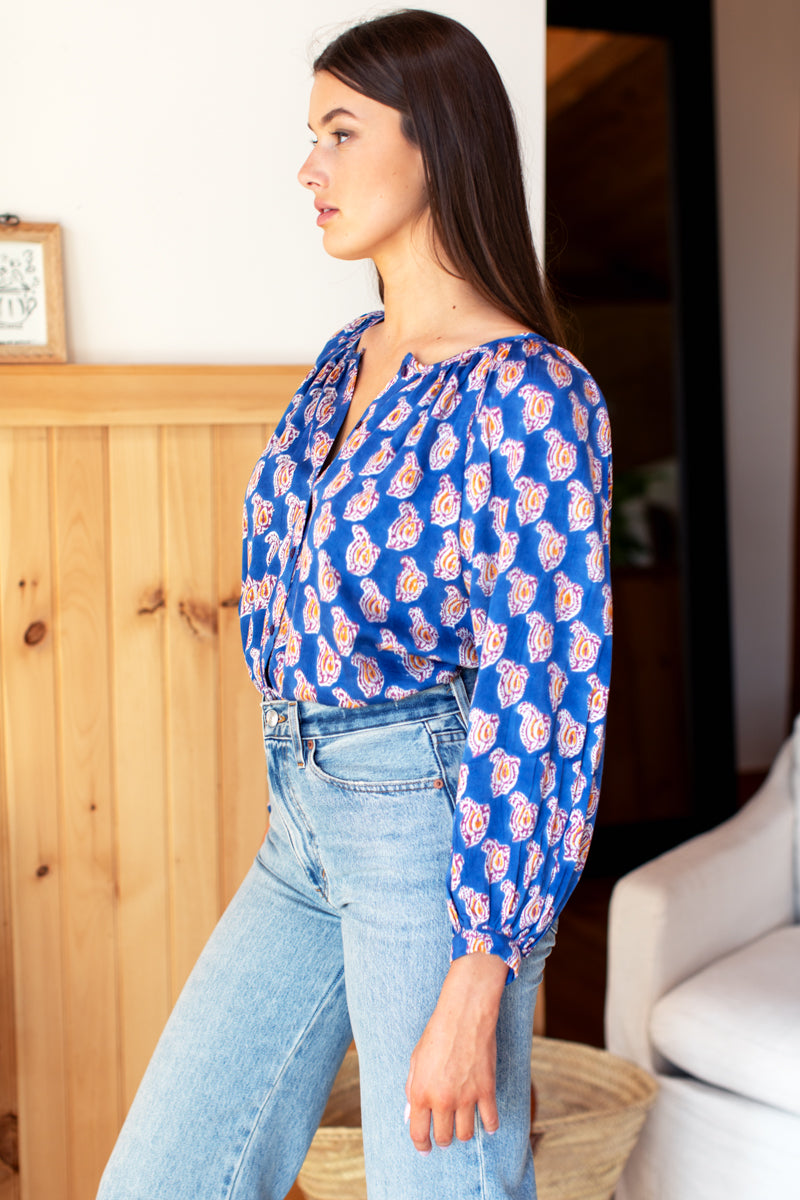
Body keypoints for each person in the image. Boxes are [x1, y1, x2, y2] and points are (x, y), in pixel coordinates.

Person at [97, 10, 611, 1200]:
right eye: (309, 134)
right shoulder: (346, 359)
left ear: (433, 143)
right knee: (165, 1175)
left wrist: (480, 969)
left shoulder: (528, 394)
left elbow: (548, 692)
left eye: (339, 131)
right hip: (303, 826)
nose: (307, 167)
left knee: (442, 1187)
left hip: (429, 842)